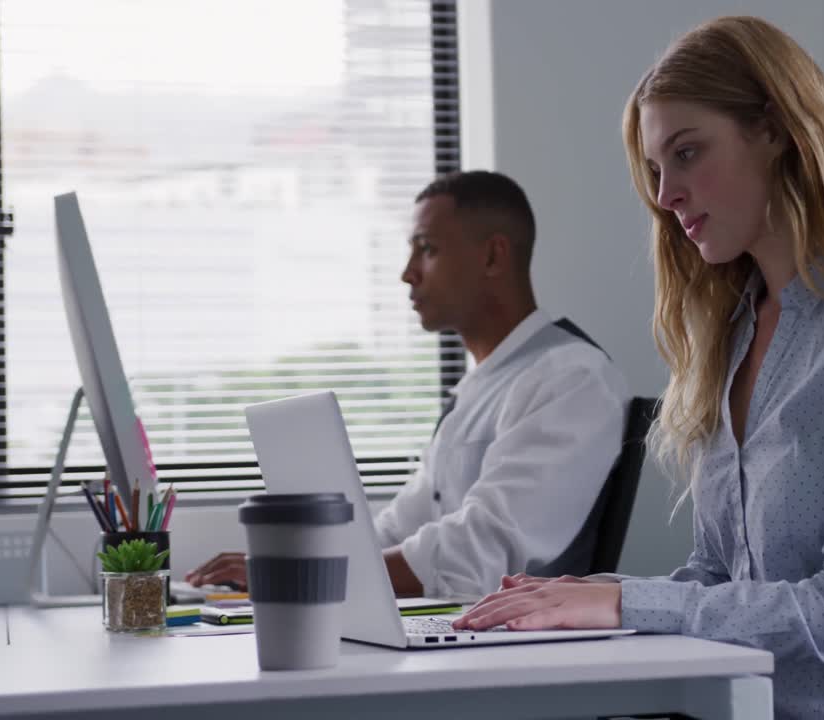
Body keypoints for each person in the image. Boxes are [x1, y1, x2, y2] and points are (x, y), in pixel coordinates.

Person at [453, 17, 824, 720]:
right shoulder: (730, 337)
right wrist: (568, 601)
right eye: (654, 170)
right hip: (740, 704)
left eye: (687, 153)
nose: (666, 195)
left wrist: (617, 601)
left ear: (774, 129)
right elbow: (714, 579)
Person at [187, 170, 630, 599]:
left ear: (494, 256)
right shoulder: (481, 387)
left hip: (511, 649)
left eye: (427, 249)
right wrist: (287, 560)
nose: (407, 272)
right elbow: (398, 529)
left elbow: (480, 549)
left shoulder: (571, 378)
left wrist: (301, 572)